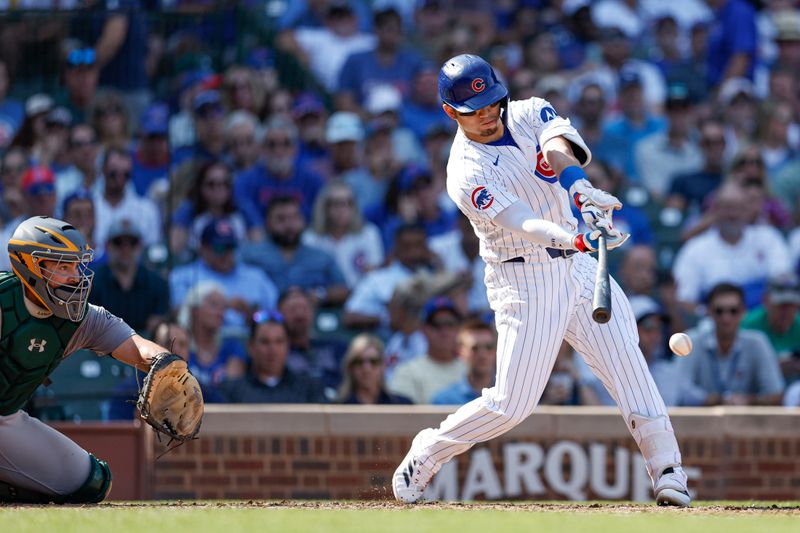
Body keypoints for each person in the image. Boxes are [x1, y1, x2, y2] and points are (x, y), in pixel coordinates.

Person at [392, 54, 691, 507]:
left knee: (628, 366)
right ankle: (429, 450)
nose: (489, 116)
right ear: (451, 113)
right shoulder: (464, 170)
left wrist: (578, 189)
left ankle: (669, 471)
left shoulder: (530, 110)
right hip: (524, 280)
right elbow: (522, 221)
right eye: (476, 112)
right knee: (511, 405)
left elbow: (557, 150)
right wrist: (575, 238)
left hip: (577, 265)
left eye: (493, 103)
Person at [0, 216, 192, 503]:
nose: (76, 276)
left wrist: (166, 365)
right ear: (31, 265)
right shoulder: (4, 299)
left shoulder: (80, 318)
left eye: (77, 265)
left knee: (90, 481)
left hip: (7, 418)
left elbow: (137, 347)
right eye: (63, 266)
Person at [675, 283, 785, 406]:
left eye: (733, 311)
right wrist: (719, 401)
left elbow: (776, 394)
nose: (726, 318)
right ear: (709, 311)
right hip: (701, 422)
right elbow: (679, 390)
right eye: (719, 311)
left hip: (745, 422)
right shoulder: (691, 340)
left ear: (743, 312)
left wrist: (748, 400)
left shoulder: (757, 342)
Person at [217, 311, 327, 404]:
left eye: (279, 342)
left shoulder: (309, 388)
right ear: (250, 347)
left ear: (288, 346)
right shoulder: (231, 390)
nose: (272, 349)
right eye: (265, 342)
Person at [89, 218, 169, 334]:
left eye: (132, 242)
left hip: (146, 347)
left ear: (140, 246)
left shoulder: (157, 283)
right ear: (107, 245)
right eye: (118, 242)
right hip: (101, 347)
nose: (125, 249)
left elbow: (158, 325)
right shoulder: (92, 282)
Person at [388, 296, 466, 405]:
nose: (444, 331)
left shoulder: (470, 370)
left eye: (450, 324)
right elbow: (403, 418)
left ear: (458, 328)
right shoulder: (407, 372)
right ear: (423, 329)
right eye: (436, 324)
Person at [740, 273, 800, 384]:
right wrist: (771, 369)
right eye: (781, 304)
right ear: (766, 300)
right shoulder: (748, 327)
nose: (786, 311)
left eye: (791, 305)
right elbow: (738, 371)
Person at [431, 319, 496, 406]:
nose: (483, 354)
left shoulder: (508, 395)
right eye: (475, 348)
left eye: (489, 347)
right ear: (460, 353)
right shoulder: (444, 400)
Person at [336, 334, 412, 405]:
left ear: (383, 366)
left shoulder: (402, 405)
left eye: (373, 362)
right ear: (351, 367)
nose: (366, 369)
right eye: (359, 362)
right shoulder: (338, 407)